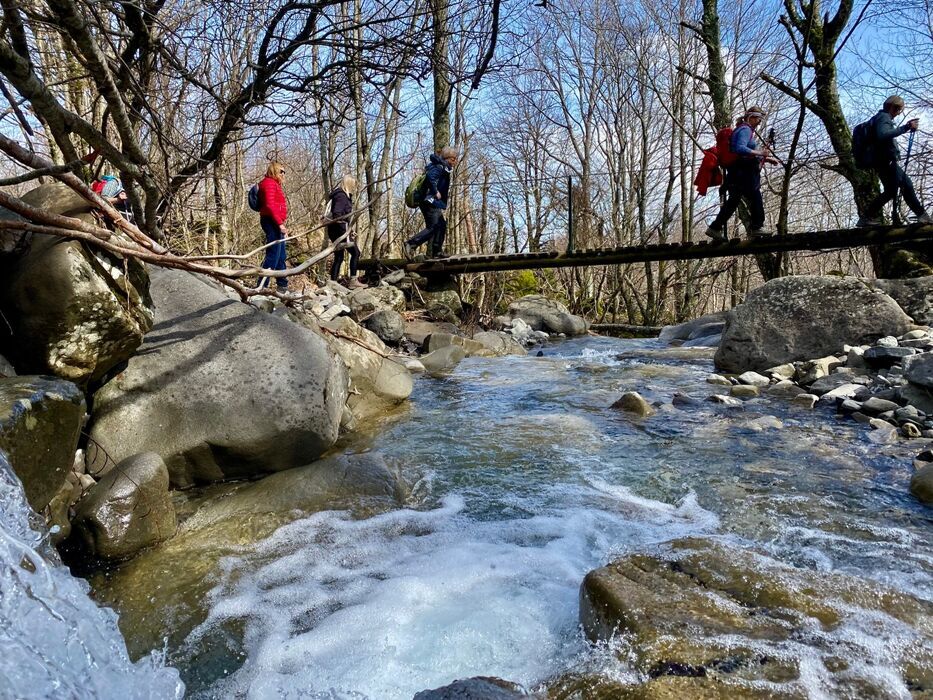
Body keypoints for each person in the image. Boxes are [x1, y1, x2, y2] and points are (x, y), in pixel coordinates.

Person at [857, 95, 932, 227]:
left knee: (891, 191)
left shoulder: (878, 118)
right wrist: (906, 127)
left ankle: (867, 217)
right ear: (893, 107)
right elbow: (882, 135)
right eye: (899, 110)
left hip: (881, 161)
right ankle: (922, 215)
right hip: (885, 162)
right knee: (906, 185)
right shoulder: (884, 117)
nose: (899, 113)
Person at [705, 107, 776, 241]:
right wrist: (761, 153)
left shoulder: (744, 129)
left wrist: (767, 159)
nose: (760, 122)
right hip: (743, 172)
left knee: (733, 200)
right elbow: (739, 148)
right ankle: (757, 227)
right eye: (758, 118)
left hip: (737, 172)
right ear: (752, 117)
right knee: (755, 195)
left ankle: (714, 228)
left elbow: (746, 153)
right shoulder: (745, 129)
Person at [404, 146, 458, 259]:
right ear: (448, 158)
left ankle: (437, 252)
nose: (455, 161)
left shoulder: (442, 167)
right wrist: (436, 191)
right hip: (429, 201)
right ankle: (411, 243)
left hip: (432, 202)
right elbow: (430, 177)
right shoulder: (439, 166)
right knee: (433, 227)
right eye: (453, 159)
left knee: (441, 225)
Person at [327, 175, 366, 289]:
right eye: (353, 185)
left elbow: (343, 217)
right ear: (349, 184)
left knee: (339, 256)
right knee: (355, 253)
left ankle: (332, 282)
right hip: (339, 230)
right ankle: (353, 280)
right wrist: (346, 232)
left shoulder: (341, 195)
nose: (354, 187)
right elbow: (337, 215)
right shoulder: (341, 196)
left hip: (337, 229)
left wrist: (351, 231)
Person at [257, 161, 290, 290]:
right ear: (274, 171)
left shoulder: (275, 184)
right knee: (273, 254)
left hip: (275, 222)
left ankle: (282, 285)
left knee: (281, 255)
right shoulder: (269, 183)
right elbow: (270, 205)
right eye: (281, 171)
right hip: (271, 222)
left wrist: (281, 224)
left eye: (284, 171)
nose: (283, 173)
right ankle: (262, 286)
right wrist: (280, 224)